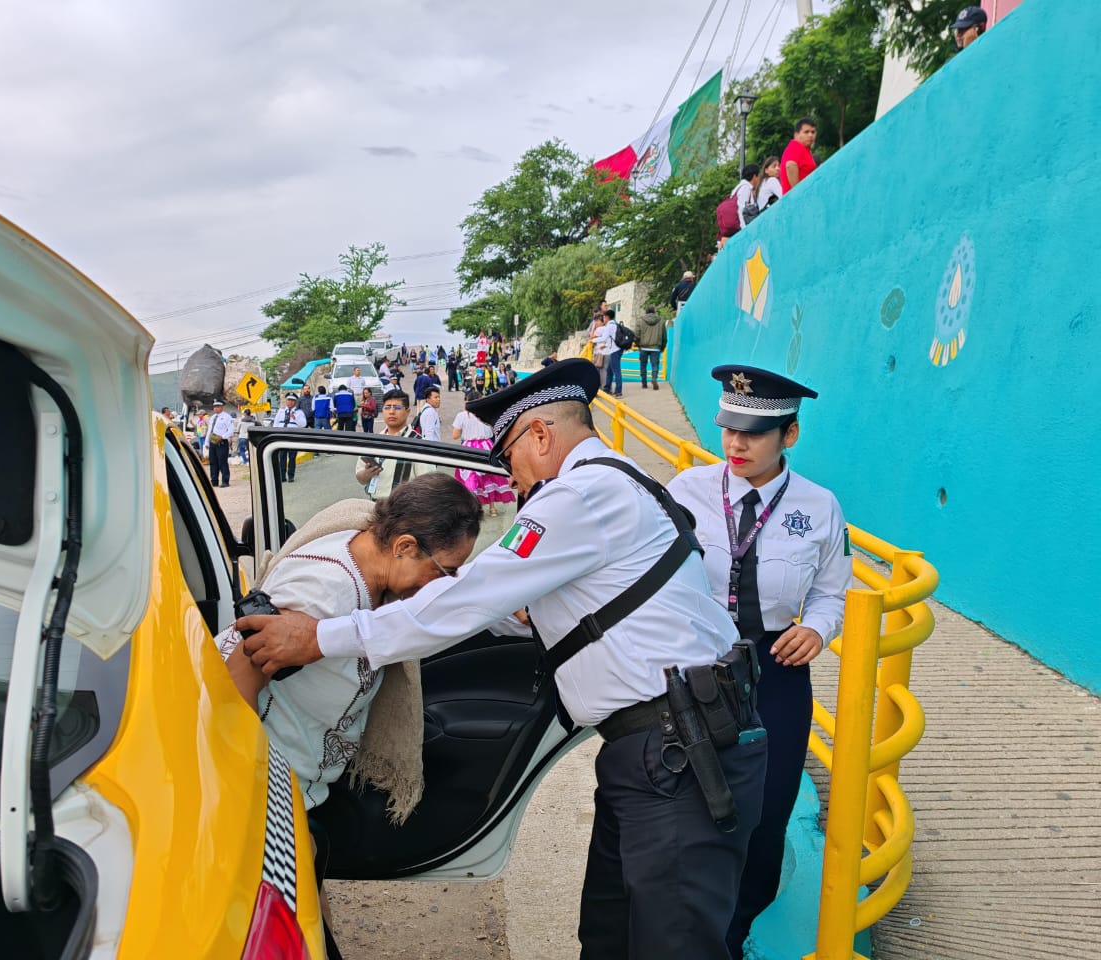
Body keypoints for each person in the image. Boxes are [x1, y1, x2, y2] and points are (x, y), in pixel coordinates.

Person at [239, 359, 768, 960]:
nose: (511, 478)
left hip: (679, 750)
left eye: (509, 453)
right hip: (657, 751)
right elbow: (503, 603)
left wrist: (322, 637)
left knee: (671, 946)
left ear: (540, 434)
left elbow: (467, 597)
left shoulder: (581, 495)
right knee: (611, 937)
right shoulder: (614, 486)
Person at [667, 365, 851, 960]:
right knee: (687, 800)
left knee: (768, 809)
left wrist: (818, 630)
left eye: (754, 433)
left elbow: (830, 592)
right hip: (696, 662)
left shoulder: (819, 507)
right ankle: (687, 924)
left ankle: (736, 929)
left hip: (775, 669)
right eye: (729, 429)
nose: (736, 445)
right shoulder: (687, 490)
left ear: (789, 436)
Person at [218, 473, 481, 811]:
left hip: (295, 778)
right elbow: (234, 683)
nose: (442, 584)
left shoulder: (363, 535)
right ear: (404, 546)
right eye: (445, 571)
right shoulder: (322, 594)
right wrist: (250, 792)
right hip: (268, 785)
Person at [451, 389, 515, 517]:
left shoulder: (462, 416)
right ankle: (492, 508)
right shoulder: (487, 414)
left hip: (469, 448)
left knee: (471, 478)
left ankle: (473, 508)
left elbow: (455, 435)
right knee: (489, 477)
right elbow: (494, 431)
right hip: (486, 446)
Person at [353, 388, 424, 499]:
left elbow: (426, 485)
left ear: (408, 412)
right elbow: (360, 478)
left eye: (397, 407)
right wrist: (367, 474)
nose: (391, 412)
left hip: (403, 510)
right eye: (387, 407)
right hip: (374, 506)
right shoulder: (374, 441)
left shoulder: (418, 443)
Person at [272, 393, 308, 482]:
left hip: (292, 436)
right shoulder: (281, 411)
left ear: (295, 402)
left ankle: (291, 476)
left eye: (292, 401)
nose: (290, 402)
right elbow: (276, 423)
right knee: (282, 457)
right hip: (282, 435)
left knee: (292, 457)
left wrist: (295, 418)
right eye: (288, 400)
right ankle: (282, 476)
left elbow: (303, 424)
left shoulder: (299, 412)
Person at [780, 118, 818, 194]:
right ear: (796, 135)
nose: (810, 135)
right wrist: (798, 193)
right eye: (806, 132)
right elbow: (790, 165)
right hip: (797, 201)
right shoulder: (796, 147)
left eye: (813, 132)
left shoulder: (804, 149)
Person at [592, 308, 622, 398]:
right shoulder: (615, 325)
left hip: (614, 350)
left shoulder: (610, 326)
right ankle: (607, 389)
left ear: (607, 317)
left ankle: (619, 392)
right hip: (616, 349)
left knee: (616, 371)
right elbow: (610, 339)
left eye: (604, 317)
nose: (603, 319)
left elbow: (604, 338)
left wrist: (592, 340)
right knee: (609, 370)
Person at [635, 305, 665, 390]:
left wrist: (638, 344)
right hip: (656, 347)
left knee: (643, 365)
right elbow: (664, 336)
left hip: (643, 347)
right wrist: (662, 347)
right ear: (654, 311)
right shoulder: (661, 321)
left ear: (646, 311)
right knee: (655, 365)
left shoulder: (640, 321)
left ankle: (644, 383)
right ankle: (654, 379)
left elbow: (637, 334)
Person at [206, 399, 234, 487]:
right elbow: (209, 430)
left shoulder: (227, 417)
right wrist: (206, 442)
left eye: (218, 407)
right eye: (214, 407)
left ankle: (225, 481)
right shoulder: (213, 417)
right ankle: (214, 480)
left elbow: (231, 431)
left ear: (222, 407)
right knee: (213, 462)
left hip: (221, 442)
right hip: (212, 441)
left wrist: (223, 436)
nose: (216, 409)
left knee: (222, 462)